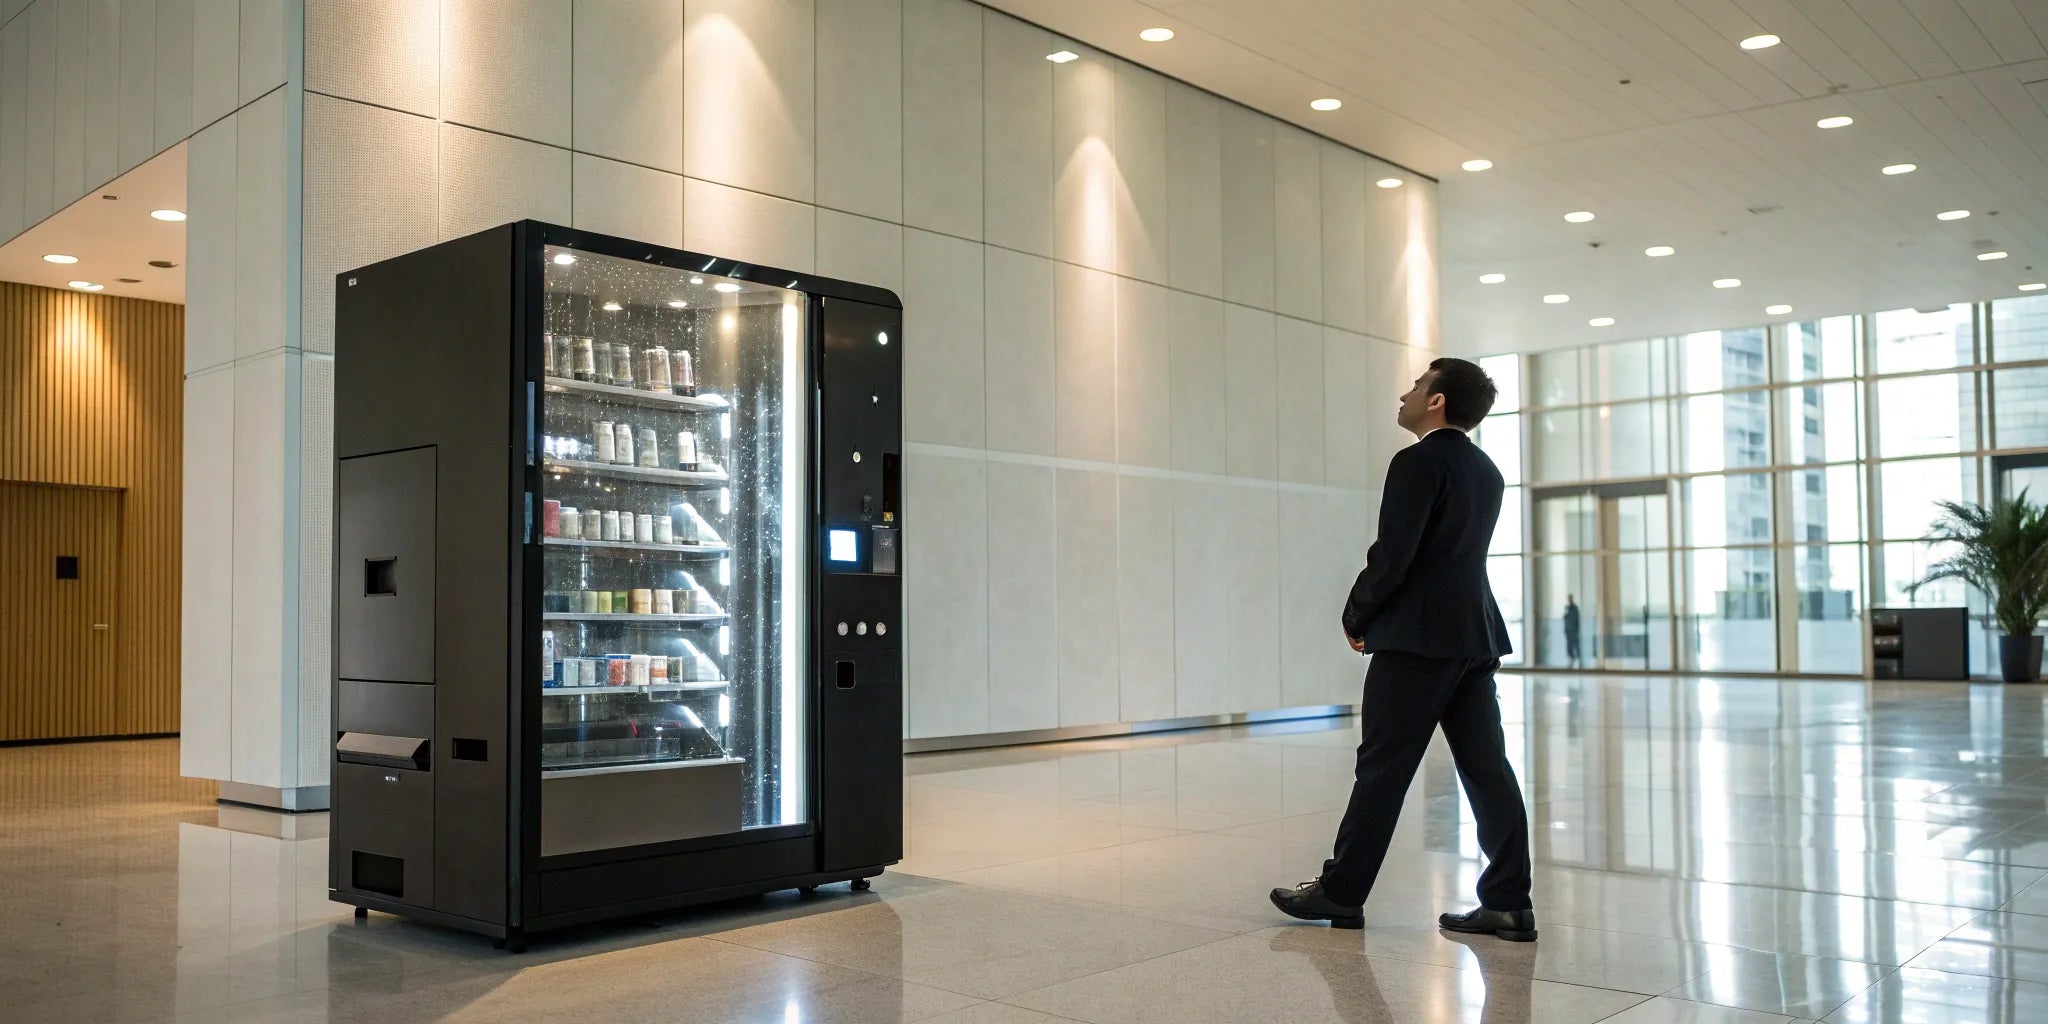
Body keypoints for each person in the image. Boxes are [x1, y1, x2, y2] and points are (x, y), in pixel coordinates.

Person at [1269, 357, 1535, 941]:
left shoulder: (1416, 462)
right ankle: (1509, 901)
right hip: (1473, 635)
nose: (1406, 392)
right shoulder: (1486, 470)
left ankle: (1342, 892)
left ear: (1436, 402)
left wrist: (1357, 611)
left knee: (1383, 768)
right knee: (1488, 769)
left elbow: (1396, 553)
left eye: (1417, 385)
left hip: (1417, 638)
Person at [1564, 595, 1582, 667]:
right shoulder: (1567, 608)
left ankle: (1575, 660)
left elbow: (1576, 620)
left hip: (1573, 630)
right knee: (1569, 647)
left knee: (1575, 645)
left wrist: (1577, 630)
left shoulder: (1575, 608)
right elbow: (1565, 618)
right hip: (1568, 630)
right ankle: (1571, 660)